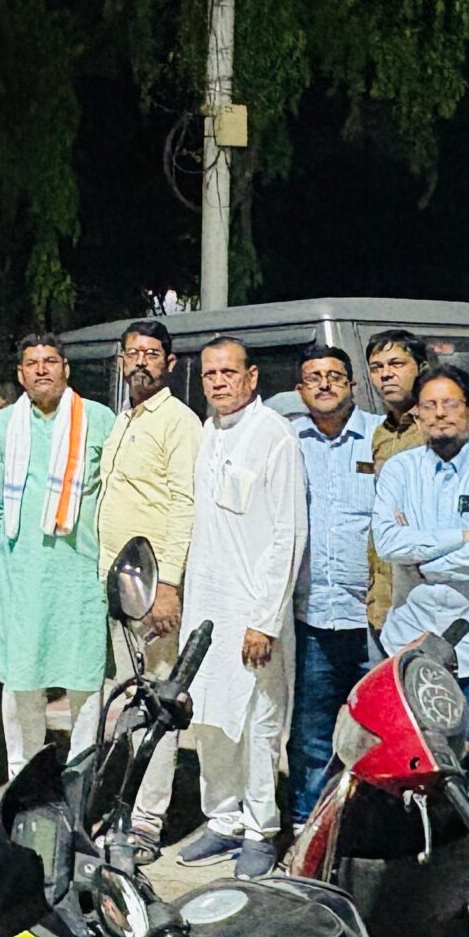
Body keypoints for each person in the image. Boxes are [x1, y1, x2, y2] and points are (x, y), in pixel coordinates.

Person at [373, 364, 469, 912]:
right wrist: (460, 537)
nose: (440, 414)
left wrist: (426, 558)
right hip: (407, 652)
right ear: (416, 414)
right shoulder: (399, 469)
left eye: (451, 404)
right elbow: (388, 543)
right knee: (406, 779)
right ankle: (413, 894)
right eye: (430, 405)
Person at [170, 339, 305, 880]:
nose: (219, 382)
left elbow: (287, 534)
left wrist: (264, 620)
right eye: (209, 374)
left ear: (252, 377)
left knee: (258, 724)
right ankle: (223, 819)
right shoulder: (208, 432)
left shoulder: (275, 435)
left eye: (229, 372)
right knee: (210, 718)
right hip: (208, 608)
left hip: (254, 613)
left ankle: (260, 829)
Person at [90, 319, 200, 855]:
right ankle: (124, 805)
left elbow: (184, 504)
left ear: (169, 364)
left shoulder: (178, 422)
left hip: (152, 587)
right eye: (132, 353)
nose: (141, 362)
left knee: (159, 700)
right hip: (120, 584)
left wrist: (169, 584)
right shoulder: (124, 418)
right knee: (133, 699)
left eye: (151, 353)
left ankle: (148, 822)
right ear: (120, 361)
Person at [0, 334, 117, 779]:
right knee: (20, 682)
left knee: (85, 683)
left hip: (81, 576)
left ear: (66, 369)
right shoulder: (5, 424)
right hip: (21, 575)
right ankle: (22, 781)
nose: (41, 369)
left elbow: (113, 497)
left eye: (50, 361)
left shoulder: (98, 419)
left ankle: (80, 780)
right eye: (32, 363)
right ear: (20, 374)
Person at [284, 343, 383, 832]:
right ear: (300, 389)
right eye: (313, 377)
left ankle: (372, 832)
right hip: (311, 616)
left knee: (377, 732)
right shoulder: (287, 440)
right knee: (311, 736)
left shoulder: (381, 438)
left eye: (335, 376)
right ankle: (309, 829)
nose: (324, 384)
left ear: (353, 385)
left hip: (372, 618)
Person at [362, 329, 431, 633]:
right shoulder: (382, 432)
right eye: (377, 367)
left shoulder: (437, 426)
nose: (386, 374)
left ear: (421, 368)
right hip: (383, 602)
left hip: (427, 602)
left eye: (396, 364)